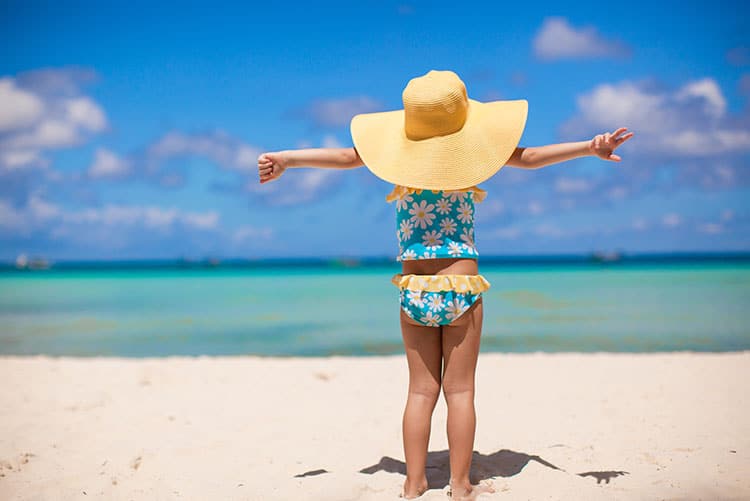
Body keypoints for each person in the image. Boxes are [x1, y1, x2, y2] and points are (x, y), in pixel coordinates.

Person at [257, 69, 633, 500]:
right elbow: (531, 158)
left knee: (420, 390)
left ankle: (413, 482)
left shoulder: (396, 163)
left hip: (413, 289)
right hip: (461, 286)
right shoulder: (471, 160)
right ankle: (459, 484)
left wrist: (285, 157)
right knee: (461, 391)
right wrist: (590, 147)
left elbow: (344, 158)